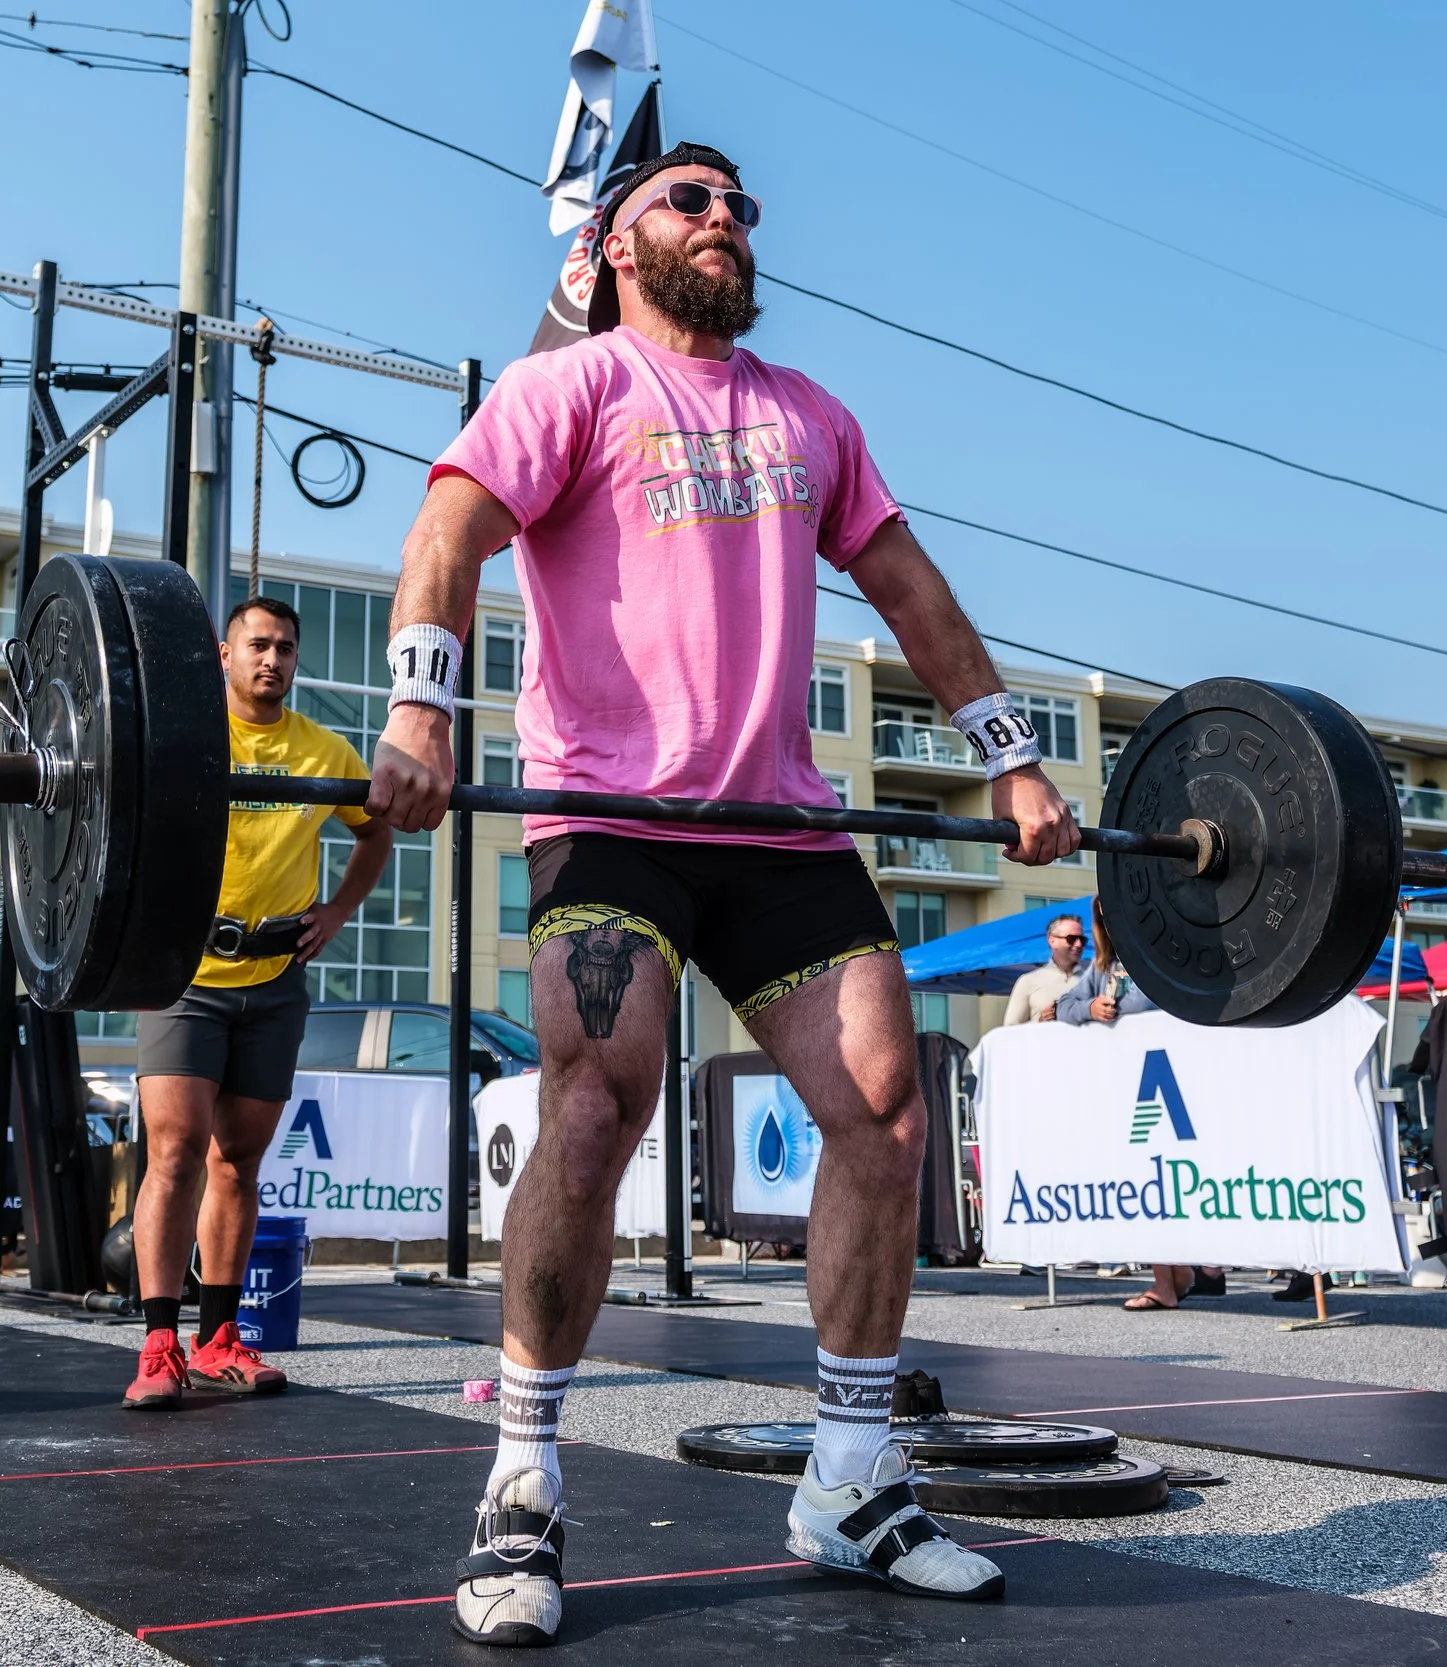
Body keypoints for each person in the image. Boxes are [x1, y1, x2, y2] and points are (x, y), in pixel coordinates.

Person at [364, 141, 1078, 1647]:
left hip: (776, 823)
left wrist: (1008, 757)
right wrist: (424, 704)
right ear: (618, 244)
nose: (726, 222)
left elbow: (910, 590)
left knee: (887, 1108)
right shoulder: (571, 387)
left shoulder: (811, 416)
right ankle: (525, 1474)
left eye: (740, 206)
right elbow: (447, 531)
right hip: (610, 810)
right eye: (690, 202)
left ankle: (852, 1476)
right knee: (596, 1098)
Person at [121, 595, 394, 1410]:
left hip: (275, 981)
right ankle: (158, 1342)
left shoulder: (321, 749)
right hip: (187, 975)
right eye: (257, 645)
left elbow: (374, 828)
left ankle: (218, 1339)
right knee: (174, 1150)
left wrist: (340, 908)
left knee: (238, 1160)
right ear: (223, 652)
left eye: (284, 648)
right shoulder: (189, 741)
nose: (271, 659)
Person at [1054, 917, 1223, 1311]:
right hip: (1131, 1088)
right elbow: (1064, 1005)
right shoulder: (1103, 968)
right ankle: (1170, 1275)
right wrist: (1090, 1008)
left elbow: (1155, 1002)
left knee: (1172, 1175)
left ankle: (1184, 1273)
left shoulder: (1160, 960)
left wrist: (1111, 1009)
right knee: (1150, 1178)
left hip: (1170, 1083)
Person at [1001, 913, 1087, 1025]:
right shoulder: (1028, 981)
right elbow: (1009, 1031)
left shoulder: (1092, 981)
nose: (1079, 944)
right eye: (1071, 939)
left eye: (1082, 939)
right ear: (1052, 941)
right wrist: (1040, 1022)